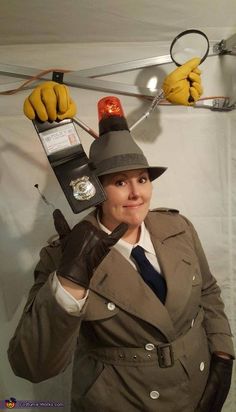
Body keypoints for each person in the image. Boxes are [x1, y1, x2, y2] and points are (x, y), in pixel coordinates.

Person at [8, 59, 234, 412]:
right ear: (95, 190)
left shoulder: (178, 228)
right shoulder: (63, 257)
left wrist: (222, 355)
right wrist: (71, 283)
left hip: (198, 388)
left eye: (142, 179)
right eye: (119, 182)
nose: (137, 194)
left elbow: (208, 291)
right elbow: (31, 366)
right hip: (123, 401)